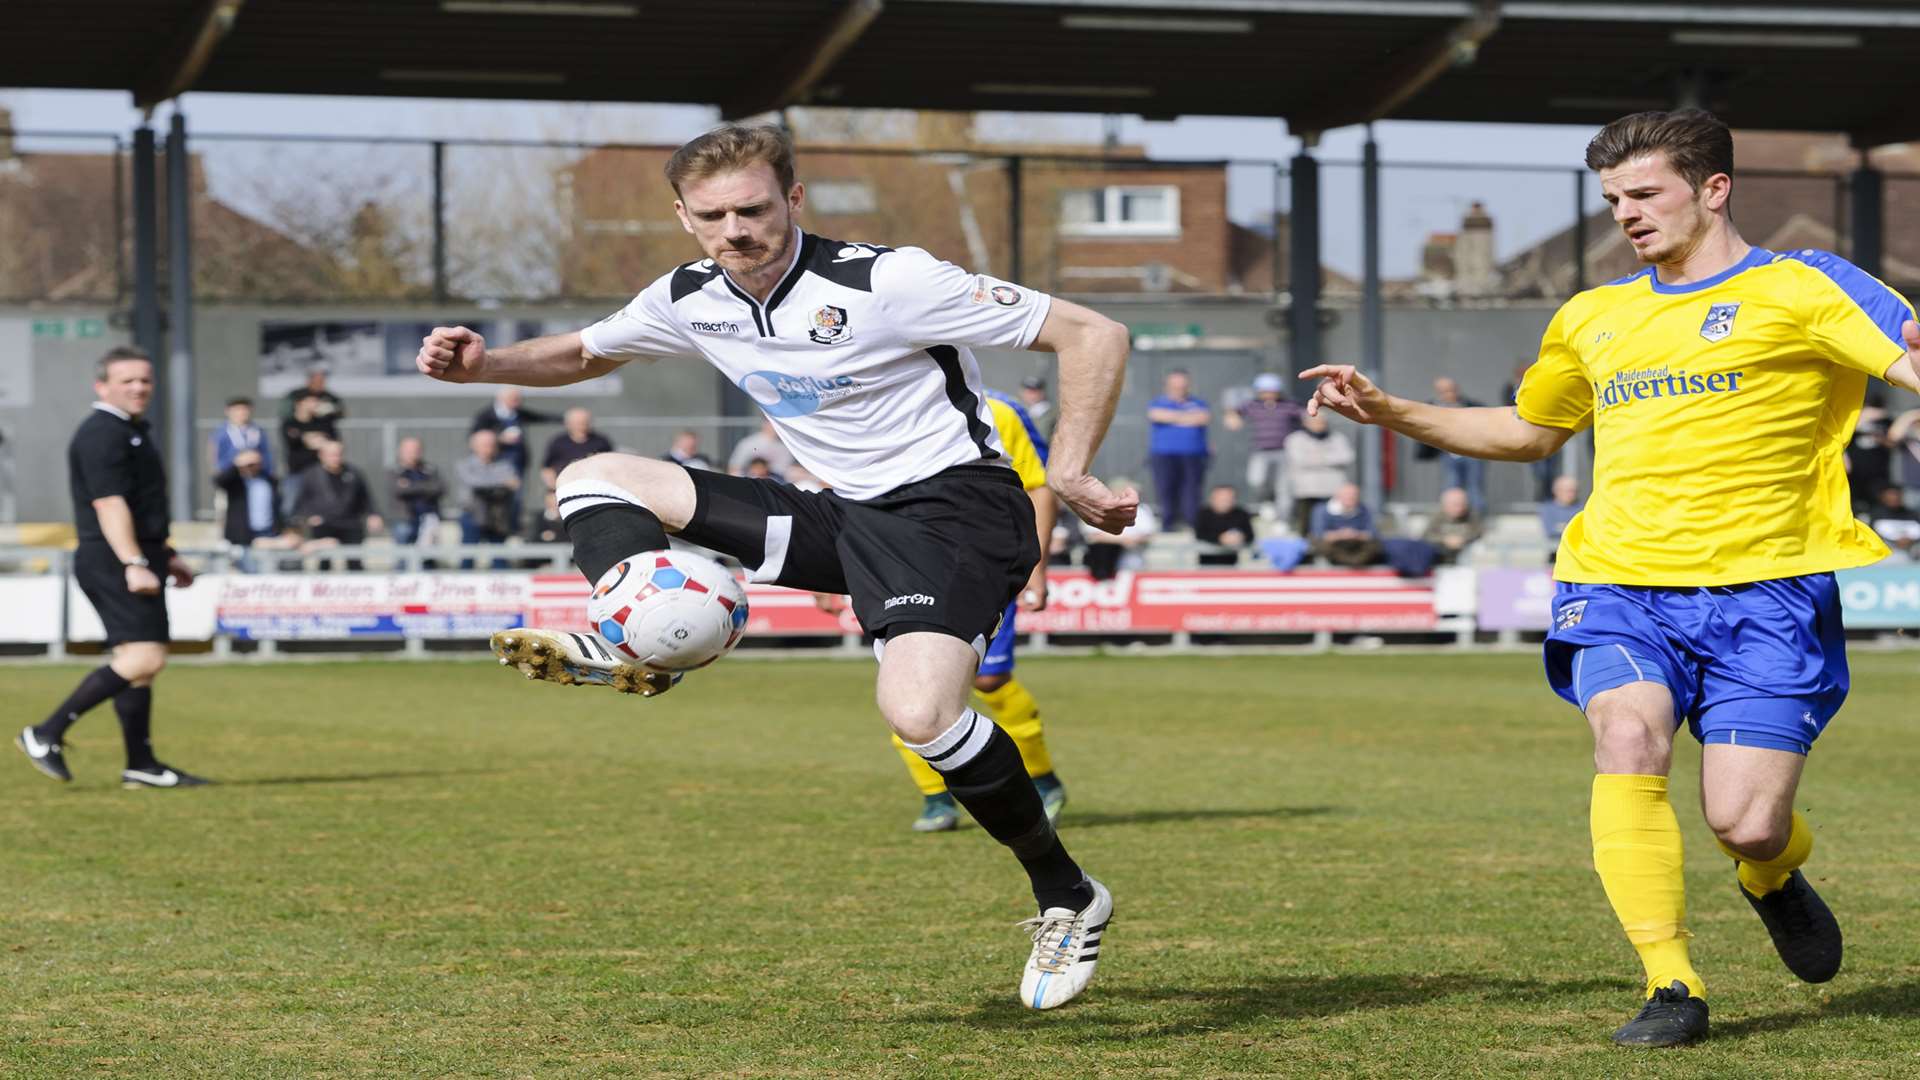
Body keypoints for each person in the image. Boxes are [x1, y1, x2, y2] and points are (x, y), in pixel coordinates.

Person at [417, 123, 1133, 1010]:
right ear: (683, 217)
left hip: (954, 511)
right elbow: (585, 353)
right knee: (593, 477)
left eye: (753, 209)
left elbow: (1093, 332)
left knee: (918, 712)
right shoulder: (691, 296)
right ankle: (639, 630)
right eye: (713, 216)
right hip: (845, 514)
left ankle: (1067, 895)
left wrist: (1066, 470)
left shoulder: (888, 280)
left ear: (794, 200)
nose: (736, 231)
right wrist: (486, 365)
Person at [1301, 108, 1920, 1048]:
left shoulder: (1806, 285)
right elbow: (1527, 433)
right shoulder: (1593, 314)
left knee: (1746, 823)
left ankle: (1769, 876)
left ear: (1713, 188)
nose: (1626, 215)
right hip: (1619, 578)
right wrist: (1390, 410)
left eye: (1644, 193)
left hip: (1770, 590)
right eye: (1613, 200)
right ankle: (1671, 984)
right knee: (1627, 738)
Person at [833, 388, 1070, 834]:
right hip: (900, 561)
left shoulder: (999, 410)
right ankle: (935, 796)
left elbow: (1037, 485)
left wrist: (1037, 564)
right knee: (903, 681)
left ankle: (1042, 779)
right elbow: (843, 488)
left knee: (990, 679)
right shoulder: (867, 398)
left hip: (984, 558)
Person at [15, 346, 207, 788]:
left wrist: (166, 553)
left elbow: (139, 505)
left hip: (136, 555)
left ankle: (141, 764)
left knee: (135, 664)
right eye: (128, 380)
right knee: (145, 656)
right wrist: (135, 561)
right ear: (102, 386)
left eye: (145, 380)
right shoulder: (102, 433)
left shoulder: (132, 431)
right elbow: (109, 503)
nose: (139, 387)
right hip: (113, 559)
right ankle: (46, 732)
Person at [1224, 372, 1305, 518]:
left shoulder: (1289, 405)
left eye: (1272, 391)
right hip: (1260, 450)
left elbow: (1306, 417)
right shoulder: (1252, 405)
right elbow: (1234, 415)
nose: (1268, 395)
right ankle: (1266, 502)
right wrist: (1232, 416)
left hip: (1285, 451)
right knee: (1256, 480)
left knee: (1284, 487)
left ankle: (1283, 519)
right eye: (1264, 391)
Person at [293, 441, 381, 566]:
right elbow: (302, 501)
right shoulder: (311, 475)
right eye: (332, 455)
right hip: (324, 524)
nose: (336, 458)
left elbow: (365, 498)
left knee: (355, 561)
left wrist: (373, 514)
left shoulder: (353, 473)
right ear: (321, 455)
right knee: (324, 562)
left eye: (338, 454)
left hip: (350, 523)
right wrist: (310, 516)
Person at [1147, 369, 1211, 531]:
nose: (1179, 387)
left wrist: (1173, 417)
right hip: (1164, 454)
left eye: (1182, 384)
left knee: (1191, 490)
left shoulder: (1198, 402)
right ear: (1168, 385)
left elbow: (1203, 418)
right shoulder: (1158, 402)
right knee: (1166, 489)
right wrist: (1187, 418)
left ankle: (1191, 523)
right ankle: (1168, 524)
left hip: (1193, 454)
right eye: (1175, 384)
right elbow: (1156, 415)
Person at [1417, 377, 1487, 514]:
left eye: (1451, 390)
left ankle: (1477, 517)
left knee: (1475, 487)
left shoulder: (1470, 405)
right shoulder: (1433, 408)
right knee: (1451, 487)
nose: (1448, 394)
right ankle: (1450, 517)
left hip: (1471, 452)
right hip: (1447, 454)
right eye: (1444, 391)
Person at [1281, 411, 1355, 537]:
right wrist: (1329, 459)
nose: (1319, 425)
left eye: (1321, 422)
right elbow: (1300, 460)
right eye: (1315, 422)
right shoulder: (1295, 439)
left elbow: (1347, 457)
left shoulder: (1337, 438)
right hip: (1307, 491)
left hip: (1333, 490)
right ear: (1305, 423)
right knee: (1306, 526)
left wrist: (1316, 458)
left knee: (1332, 525)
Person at [212, 448, 290, 560]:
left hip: (268, 534)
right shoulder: (235, 482)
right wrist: (237, 464)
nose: (252, 466)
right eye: (249, 464)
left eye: (255, 463)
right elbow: (219, 481)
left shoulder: (269, 480)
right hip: (243, 536)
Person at [457, 428, 521, 544]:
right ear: (474, 446)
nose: (489, 448)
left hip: (497, 515)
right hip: (473, 515)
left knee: (499, 557)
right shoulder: (465, 465)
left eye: (492, 445)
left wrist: (491, 483)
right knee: (467, 555)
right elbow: (474, 483)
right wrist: (502, 482)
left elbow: (514, 483)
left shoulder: (505, 465)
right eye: (484, 445)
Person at [387, 436, 446, 546]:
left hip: (429, 519)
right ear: (401, 451)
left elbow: (440, 488)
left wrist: (410, 486)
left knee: (428, 556)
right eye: (408, 450)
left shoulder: (430, 469)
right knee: (403, 556)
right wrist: (426, 486)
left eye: (415, 450)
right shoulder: (395, 470)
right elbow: (399, 491)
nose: (412, 453)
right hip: (404, 519)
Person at [1307, 482, 1382, 567]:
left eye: (1354, 495)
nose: (1351, 497)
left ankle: (1354, 563)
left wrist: (1356, 535)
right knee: (1319, 544)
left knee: (1375, 544)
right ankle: (1343, 562)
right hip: (1334, 545)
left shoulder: (1364, 509)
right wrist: (1340, 535)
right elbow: (1318, 534)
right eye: (1347, 495)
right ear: (1337, 496)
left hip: (1356, 545)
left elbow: (1373, 533)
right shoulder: (1322, 510)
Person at [541, 407, 615, 490]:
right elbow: (547, 469)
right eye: (578, 423)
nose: (582, 426)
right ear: (568, 424)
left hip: (594, 487)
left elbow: (610, 466)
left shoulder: (601, 442)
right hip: (564, 487)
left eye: (585, 422)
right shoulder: (558, 442)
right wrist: (554, 488)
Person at [1847, 391, 1893, 512]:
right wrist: (1862, 418)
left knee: (1877, 503)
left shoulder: (1885, 420)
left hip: (1878, 470)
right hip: (1856, 468)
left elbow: (1891, 441)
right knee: (1853, 501)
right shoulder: (1853, 420)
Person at [210, 395, 273, 476]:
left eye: (245, 409)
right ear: (228, 411)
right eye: (237, 410)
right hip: (230, 477)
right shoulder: (221, 433)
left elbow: (266, 454)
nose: (242, 413)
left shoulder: (257, 431)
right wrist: (237, 461)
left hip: (256, 475)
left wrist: (257, 460)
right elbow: (216, 459)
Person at [1193, 484, 1254, 566]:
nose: (1225, 502)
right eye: (1222, 499)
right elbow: (1200, 534)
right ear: (1213, 499)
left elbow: (1250, 535)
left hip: (1232, 564)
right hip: (1207, 564)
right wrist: (1220, 538)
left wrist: (1240, 537)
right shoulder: (1204, 514)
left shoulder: (1240, 514)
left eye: (1228, 499)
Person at [1420, 486, 1483, 566]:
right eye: (1455, 505)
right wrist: (1445, 540)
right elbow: (1425, 536)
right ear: (1445, 505)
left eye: (1462, 504)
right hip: (1441, 559)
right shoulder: (1436, 517)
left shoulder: (1471, 515)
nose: (1459, 508)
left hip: (1466, 558)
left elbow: (1480, 533)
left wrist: (1462, 539)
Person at [726, 416, 795, 477]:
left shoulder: (785, 447)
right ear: (765, 423)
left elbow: (785, 471)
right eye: (773, 423)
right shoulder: (749, 443)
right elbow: (734, 468)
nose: (776, 427)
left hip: (774, 483)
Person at [1867, 485, 1920, 559]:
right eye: (1891, 495)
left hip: (1913, 549)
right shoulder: (1876, 515)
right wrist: (1895, 541)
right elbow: (1871, 535)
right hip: (1887, 550)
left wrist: (1910, 540)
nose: (1894, 497)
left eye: (1896, 494)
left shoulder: (1912, 514)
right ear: (1883, 497)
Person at [280, 364, 345, 423]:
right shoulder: (296, 395)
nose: (319, 383)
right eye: (316, 380)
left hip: (325, 431)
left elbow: (341, 413)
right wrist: (302, 410)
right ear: (309, 380)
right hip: (300, 431)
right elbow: (284, 413)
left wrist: (329, 410)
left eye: (321, 381)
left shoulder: (330, 396)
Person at [1539, 474, 1583, 553]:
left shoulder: (1582, 509)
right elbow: (1550, 531)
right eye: (1567, 491)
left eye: (1574, 491)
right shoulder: (1547, 509)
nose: (1571, 494)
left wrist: (1562, 527)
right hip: (1554, 552)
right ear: (1556, 491)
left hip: (1578, 550)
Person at [1020, 375, 1057, 441]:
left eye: (1034, 391)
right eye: (1028, 391)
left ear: (1042, 392)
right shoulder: (1022, 410)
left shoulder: (1051, 414)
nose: (1030, 395)